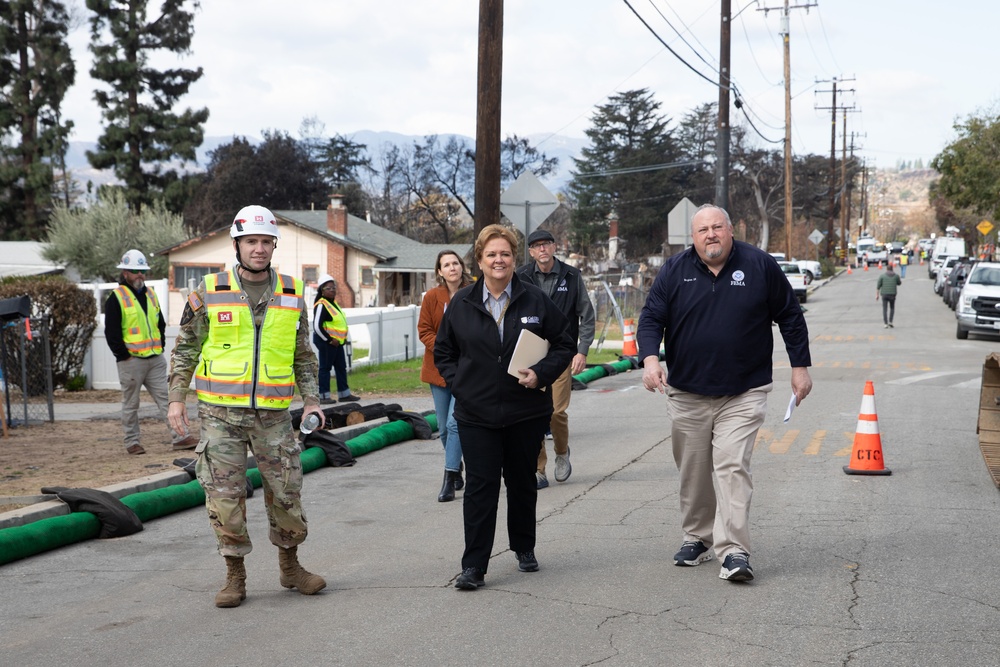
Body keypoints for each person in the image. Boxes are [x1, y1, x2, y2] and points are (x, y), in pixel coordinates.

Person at [636, 204, 812, 583]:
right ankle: (697, 536)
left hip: (743, 391)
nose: (711, 235)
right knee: (694, 471)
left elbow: (790, 317)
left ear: (731, 230)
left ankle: (733, 550)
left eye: (718, 227)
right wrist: (650, 360)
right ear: (693, 237)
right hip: (687, 391)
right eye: (703, 230)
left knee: (732, 466)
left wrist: (800, 368)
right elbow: (651, 318)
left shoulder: (760, 265)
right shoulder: (674, 270)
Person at [167, 205, 327, 608]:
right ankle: (234, 575)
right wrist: (175, 399)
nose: (258, 248)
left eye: (265, 241)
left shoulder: (293, 293)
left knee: (286, 490)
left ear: (274, 244)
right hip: (220, 415)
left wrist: (311, 400)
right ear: (237, 244)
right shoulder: (208, 290)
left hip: (274, 416)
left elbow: (302, 355)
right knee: (225, 495)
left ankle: (291, 568)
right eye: (251, 241)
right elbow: (185, 348)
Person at [435, 224, 575, 590]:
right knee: (480, 489)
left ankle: (524, 547)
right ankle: (474, 566)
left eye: (506, 254)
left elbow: (564, 342)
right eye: (492, 254)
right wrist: (460, 385)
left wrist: (541, 373)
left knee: (521, 482)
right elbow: (443, 353)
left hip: (524, 411)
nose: (499, 260)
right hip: (475, 413)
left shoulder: (534, 300)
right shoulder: (462, 303)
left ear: (515, 259)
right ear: (479, 260)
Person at [516, 229, 595, 489]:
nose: (542, 250)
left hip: (562, 352)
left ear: (554, 247)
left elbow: (587, 314)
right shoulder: (522, 277)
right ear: (530, 251)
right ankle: (539, 469)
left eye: (546, 244)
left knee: (556, 411)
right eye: (536, 246)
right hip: (532, 354)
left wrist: (581, 350)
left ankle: (562, 453)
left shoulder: (571, 276)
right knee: (534, 412)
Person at [104, 249, 198, 456]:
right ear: (125, 273)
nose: (140, 275)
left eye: (142, 271)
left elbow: (160, 323)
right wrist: (123, 355)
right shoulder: (116, 298)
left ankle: (181, 438)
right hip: (131, 361)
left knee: (168, 399)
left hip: (155, 359)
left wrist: (161, 346)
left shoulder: (151, 294)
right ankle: (132, 442)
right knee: (131, 404)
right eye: (135, 271)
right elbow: (111, 331)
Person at [418, 250, 472, 502]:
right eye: (446, 265)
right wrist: (443, 348)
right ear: (439, 271)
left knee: (454, 422)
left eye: (455, 263)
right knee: (443, 427)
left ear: (462, 267)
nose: (452, 268)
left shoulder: (474, 291)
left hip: (467, 370)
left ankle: (449, 477)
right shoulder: (432, 297)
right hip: (438, 370)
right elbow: (424, 330)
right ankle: (457, 465)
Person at [312, 274, 360, 403]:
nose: (333, 290)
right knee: (325, 368)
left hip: (337, 343)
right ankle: (323, 396)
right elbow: (316, 326)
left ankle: (344, 394)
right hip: (327, 342)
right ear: (322, 290)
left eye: (334, 288)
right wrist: (328, 340)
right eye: (329, 288)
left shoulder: (333, 303)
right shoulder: (322, 304)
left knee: (341, 367)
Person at [876, 262, 902, 328]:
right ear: (892, 269)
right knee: (892, 308)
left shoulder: (882, 276)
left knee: (885, 309)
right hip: (892, 294)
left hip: (884, 294)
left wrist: (877, 295)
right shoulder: (896, 276)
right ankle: (890, 321)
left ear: (886, 269)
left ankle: (885, 323)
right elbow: (899, 283)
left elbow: (878, 286)